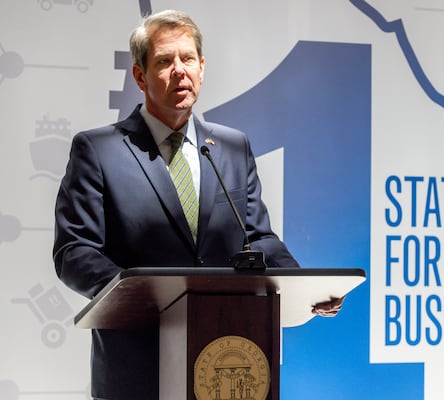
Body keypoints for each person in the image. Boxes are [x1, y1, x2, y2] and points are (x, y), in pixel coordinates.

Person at [53, 9, 341, 400]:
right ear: (140, 76)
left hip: (228, 357)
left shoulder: (232, 147)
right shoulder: (99, 150)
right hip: (137, 366)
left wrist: (302, 286)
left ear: (202, 68)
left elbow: (256, 236)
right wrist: (142, 296)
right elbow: (74, 251)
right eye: (164, 61)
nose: (179, 71)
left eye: (188, 59)